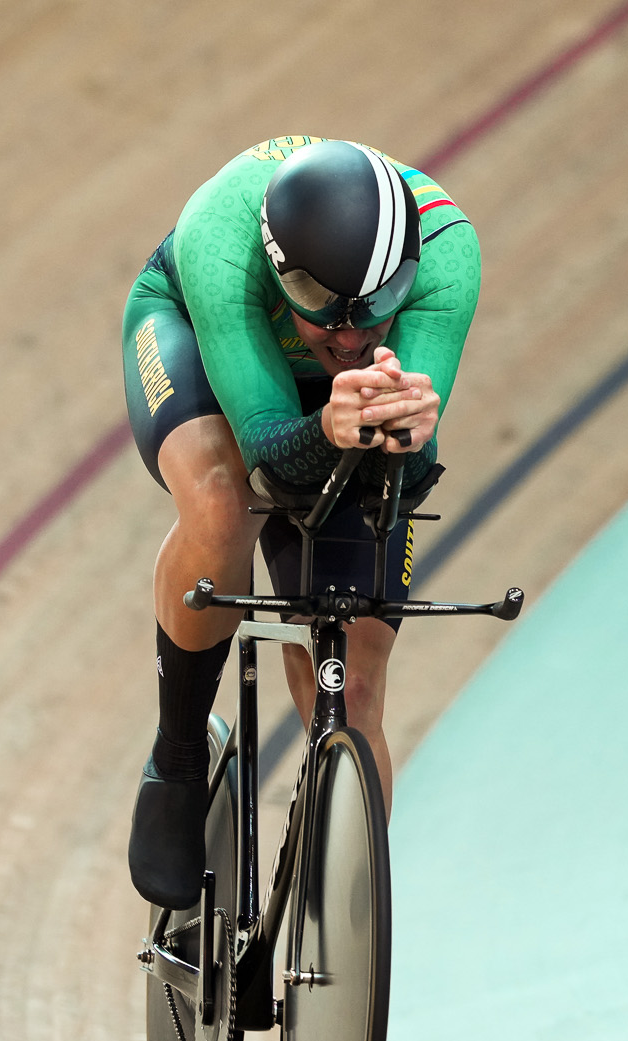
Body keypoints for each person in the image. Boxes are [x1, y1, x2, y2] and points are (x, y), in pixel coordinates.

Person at [120, 136, 480, 908]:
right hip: (196, 344)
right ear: (284, 273)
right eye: (327, 316)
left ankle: (351, 913)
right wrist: (327, 428)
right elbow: (271, 467)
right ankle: (178, 755)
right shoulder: (222, 242)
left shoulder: (449, 254)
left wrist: (405, 437)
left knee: (358, 677)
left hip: (326, 409)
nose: (353, 340)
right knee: (225, 505)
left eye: (375, 314)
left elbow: (407, 476)